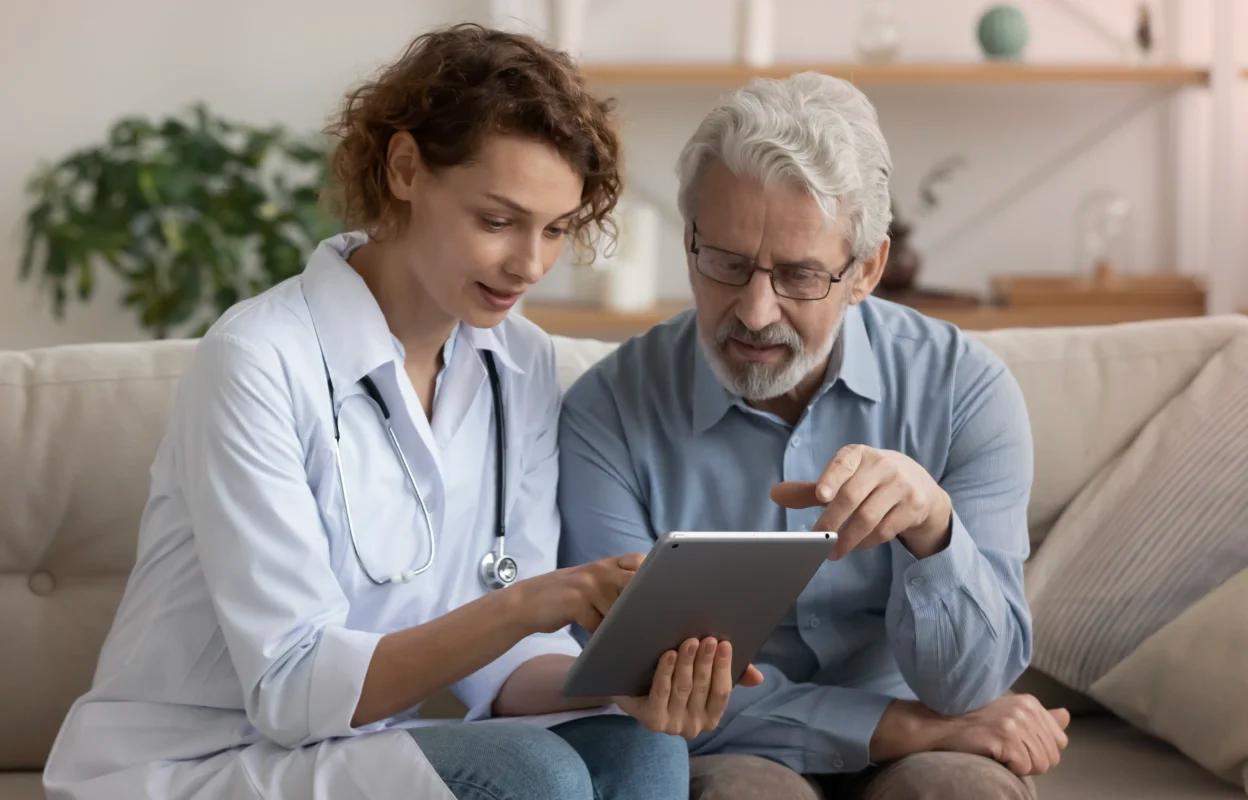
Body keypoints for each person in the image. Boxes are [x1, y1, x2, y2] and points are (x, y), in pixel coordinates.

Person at [44, 24, 757, 800]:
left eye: (555, 230)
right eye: (497, 221)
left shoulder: (522, 363)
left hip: (362, 753)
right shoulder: (258, 360)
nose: (530, 265)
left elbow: (504, 670)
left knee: (641, 752)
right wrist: (529, 602)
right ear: (407, 167)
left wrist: (626, 680)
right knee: (532, 774)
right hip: (197, 761)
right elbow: (290, 688)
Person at [557, 72, 1070, 799]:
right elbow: (633, 689)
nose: (756, 312)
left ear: (866, 270)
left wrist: (931, 526)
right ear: (689, 238)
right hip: (735, 751)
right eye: (726, 264)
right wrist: (899, 726)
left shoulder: (964, 391)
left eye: (799, 276)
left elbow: (973, 685)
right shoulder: (606, 413)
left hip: (934, 741)